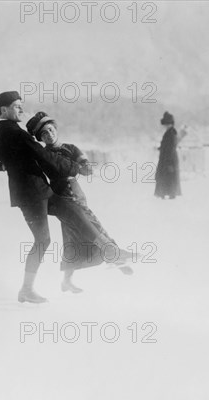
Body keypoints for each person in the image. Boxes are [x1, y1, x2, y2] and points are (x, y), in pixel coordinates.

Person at [0, 91, 132, 304]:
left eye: (21, 105)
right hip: (32, 196)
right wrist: (75, 168)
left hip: (38, 191)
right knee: (43, 239)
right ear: (4, 110)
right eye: (17, 105)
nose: (21, 109)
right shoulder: (17, 134)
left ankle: (110, 251)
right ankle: (27, 289)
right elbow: (45, 157)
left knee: (73, 211)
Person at [26, 112, 134, 294]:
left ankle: (70, 279)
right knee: (80, 233)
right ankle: (113, 257)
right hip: (60, 196)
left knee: (82, 230)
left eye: (51, 130)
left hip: (75, 192)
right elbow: (26, 167)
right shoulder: (42, 154)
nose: (49, 135)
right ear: (40, 138)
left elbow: (86, 169)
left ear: (56, 129)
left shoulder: (71, 148)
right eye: (44, 134)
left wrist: (82, 166)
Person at [154, 111, 187, 199]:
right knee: (167, 178)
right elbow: (167, 146)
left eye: (166, 124)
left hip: (169, 160)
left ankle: (167, 195)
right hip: (167, 159)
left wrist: (169, 163)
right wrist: (160, 148)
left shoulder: (171, 133)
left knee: (168, 178)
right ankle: (165, 194)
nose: (164, 126)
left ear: (169, 124)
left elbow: (171, 148)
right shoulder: (170, 132)